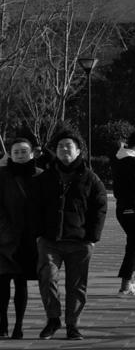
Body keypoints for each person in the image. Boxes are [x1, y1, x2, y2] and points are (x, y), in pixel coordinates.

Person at [12, 135, 111, 338]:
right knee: (46, 278)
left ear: (78, 151)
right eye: (60, 146)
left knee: (76, 285)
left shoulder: (90, 178)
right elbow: (34, 208)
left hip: (80, 241)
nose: (64, 150)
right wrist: (39, 235)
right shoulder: (45, 178)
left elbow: (100, 208)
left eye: (69, 146)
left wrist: (92, 237)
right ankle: (53, 319)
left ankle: (73, 325)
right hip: (49, 241)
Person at [100, 129, 135, 299]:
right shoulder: (130, 160)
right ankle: (126, 284)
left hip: (124, 205)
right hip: (131, 205)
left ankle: (128, 283)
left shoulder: (120, 156)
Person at [1, 134, 35, 339]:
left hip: (27, 240)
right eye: (16, 152)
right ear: (10, 155)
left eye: (24, 151)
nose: (20, 155)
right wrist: (5, 232)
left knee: (22, 284)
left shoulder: (40, 175)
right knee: (2, 284)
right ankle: (2, 323)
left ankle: (19, 325)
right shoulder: (1, 175)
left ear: (32, 153)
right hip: (3, 240)